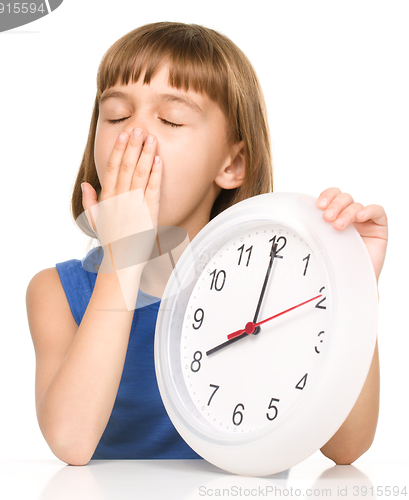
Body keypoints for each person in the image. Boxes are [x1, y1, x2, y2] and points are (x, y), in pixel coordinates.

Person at [25, 21, 388, 467]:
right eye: (117, 115)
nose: (133, 137)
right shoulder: (57, 294)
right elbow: (71, 442)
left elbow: (345, 448)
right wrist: (123, 258)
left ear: (232, 164)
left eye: (170, 119)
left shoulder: (273, 289)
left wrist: (355, 289)